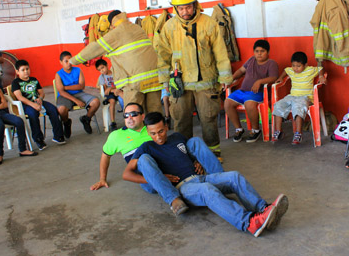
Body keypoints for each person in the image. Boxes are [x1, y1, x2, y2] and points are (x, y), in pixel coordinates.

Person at [123, 112, 289, 237]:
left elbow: (187, 153)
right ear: (147, 132)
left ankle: (264, 209)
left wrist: (195, 161)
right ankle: (249, 223)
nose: (158, 136)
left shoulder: (177, 138)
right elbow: (127, 174)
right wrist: (158, 179)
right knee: (207, 190)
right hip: (183, 188)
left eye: (161, 131)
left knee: (234, 176)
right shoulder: (147, 147)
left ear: (166, 127)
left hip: (201, 178)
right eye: (153, 133)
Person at [92, 103, 224, 216]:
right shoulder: (116, 136)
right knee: (144, 158)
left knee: (194, 141)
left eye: (134, 114)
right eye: (126, 115)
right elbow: (105, 156)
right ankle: (175, 198)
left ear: (142, 116)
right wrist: (102, 178)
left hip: (173, 166)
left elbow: (176, 146)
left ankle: (222, 181)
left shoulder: (153, 128)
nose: (129, 118)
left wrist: (197, 160)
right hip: (149, 174)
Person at [157, 0, 233, 158]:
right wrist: (164, 83)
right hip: (179, 83)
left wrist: (224, 77)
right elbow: (163, 57)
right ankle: (184, 156)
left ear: (195, 4)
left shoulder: (208, 23)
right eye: (181, 8)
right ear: (175, 8)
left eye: (189, 7)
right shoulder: (169, 27)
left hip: (206, 83)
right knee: (181, 121)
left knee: (208, 119)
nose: (185, 11)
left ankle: (213, 154)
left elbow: (220, 52)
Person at [69, 10, 163, 113]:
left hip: (134, 83)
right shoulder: (137, 28)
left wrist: (73, 61)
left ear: (111, 23)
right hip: (154, 79)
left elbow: (95, 48)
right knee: (155, 114)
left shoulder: (117, 33)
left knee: (134, 115)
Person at [224, 40, 279, 143]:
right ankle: (239, 129)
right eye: (257, 51)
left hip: (258, 93)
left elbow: (274, 77)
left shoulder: (271, 63)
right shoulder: (251, 60)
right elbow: (241, 71)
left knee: (249, 104)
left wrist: (260, 81)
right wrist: (230, 79)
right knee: (227, 102)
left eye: (262, 51)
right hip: (242, 91)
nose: (259, 53)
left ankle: (255, 130)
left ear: (268, 52)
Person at [272, 51, 326, 145]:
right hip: (292, 96)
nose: (295, 68)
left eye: (298, 66)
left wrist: (321, 76)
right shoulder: (291, 70)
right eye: (293, 65)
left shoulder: (310, 70)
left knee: (298, 107)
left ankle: (298, 133)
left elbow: (321, 69)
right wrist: (281, 77)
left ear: (305, 65)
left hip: (305, 97)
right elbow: (286, 70)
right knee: (278, 105)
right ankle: (278, 131)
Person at [11, 59, 66, 149]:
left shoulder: (34, 80)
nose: (26, 72)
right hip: (26, 104)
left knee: (53, 109)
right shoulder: (16, 82)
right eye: (23, 70)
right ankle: (38, 139)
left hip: (37, 101)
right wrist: (33, 105)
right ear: (17, 72)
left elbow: (41, 92)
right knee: (33, 114)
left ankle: (58, 136)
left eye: (27, 69)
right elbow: (20, 97)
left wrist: (40, 98)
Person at [55, 51, 100, 136]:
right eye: (66, 61)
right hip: (65, 96)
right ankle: (66, 122)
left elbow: (81, 86)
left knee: (96, 101)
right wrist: (76, 100)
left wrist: (65, 87)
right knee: (61, 110)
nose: (69, 63)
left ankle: (86, 119)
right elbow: (61, 91)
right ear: (61, 62)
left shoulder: (78, 70)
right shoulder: (58, 74)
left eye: (71, 60)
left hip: (79, 93)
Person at [95, 58, 124, 131]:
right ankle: (113, 122)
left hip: (118, 89)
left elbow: (119, 84)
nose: (102, 70)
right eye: (99, 70)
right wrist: (111, 89)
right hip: (110, 93)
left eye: (103, 68)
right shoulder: (101, 77)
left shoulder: (114, 73)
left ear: (107, 65)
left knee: (123, 97)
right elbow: (106, 90)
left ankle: (128, 115)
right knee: (112, 102)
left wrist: (111, 88)